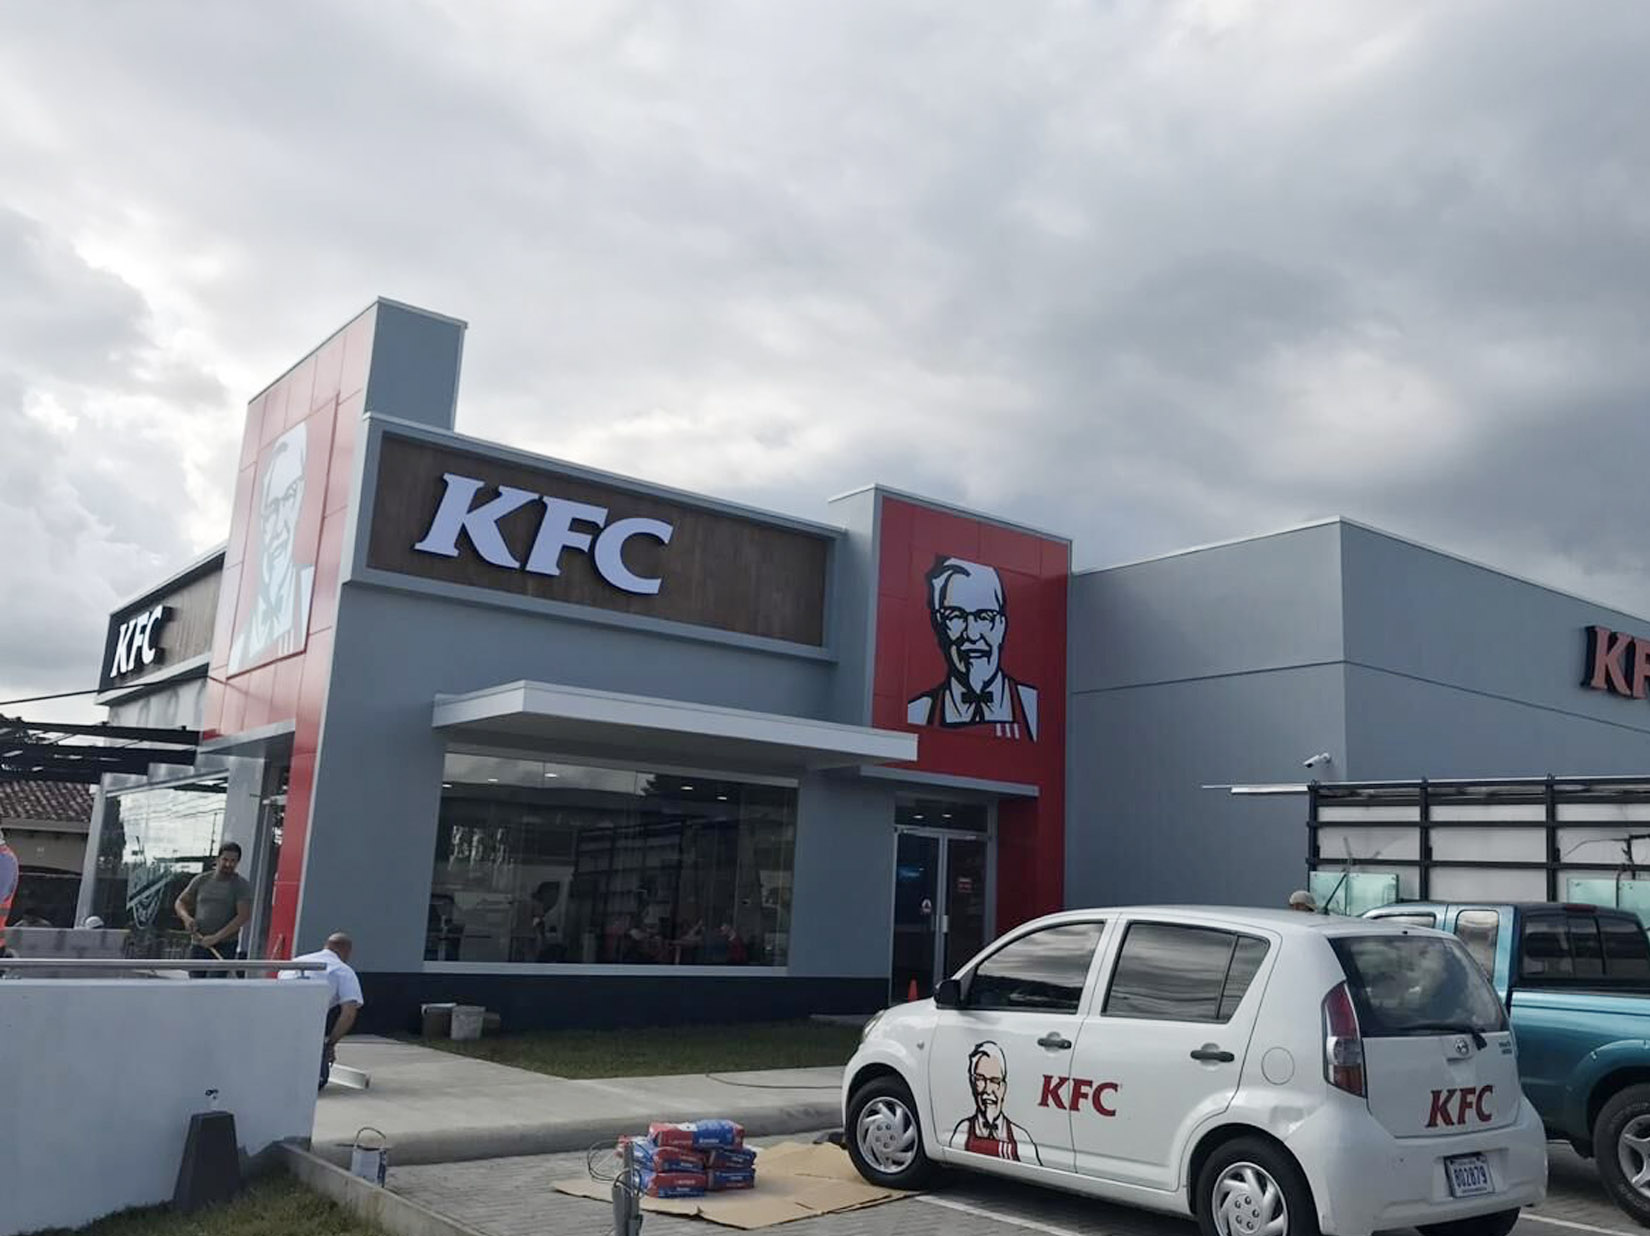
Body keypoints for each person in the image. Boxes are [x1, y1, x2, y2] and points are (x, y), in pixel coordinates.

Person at [907, 557, 1039, 741]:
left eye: (985, 617)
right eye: (956, 616)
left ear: (1002, 625)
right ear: (939, 626)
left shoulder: (1032, 708)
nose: (972, 634)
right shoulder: (918, 713)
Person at [229, 421, 314, 673]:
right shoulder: (238, 651)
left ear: (301, 495)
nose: (279, 526)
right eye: (271, 508)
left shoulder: (314, 592)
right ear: (259, 517)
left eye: (289, 497)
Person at [279, 932, 364, 1091]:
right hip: (308, 1023)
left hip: (277, 1016)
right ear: (347, 951)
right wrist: (330, 1045)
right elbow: (348, 1013)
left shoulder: (296, 962)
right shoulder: (343, 970)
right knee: (314, 1079)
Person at [949, 1040, 1041, 1165]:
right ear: (972, 1084)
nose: (988, 1090)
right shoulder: (963, 1130)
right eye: (980, 1079)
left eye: (994, 1081)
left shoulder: (1020, 1137)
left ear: (1003, 1088)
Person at [175, 842, 253, 975]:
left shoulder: (241, 885)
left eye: (233, 861)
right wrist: (186, 918)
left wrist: (216, 938)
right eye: (225, 859)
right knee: (195, 981)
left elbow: (243, 916)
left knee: (215, 982)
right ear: (217, 859)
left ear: (237, 863)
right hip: (199, 942)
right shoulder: (201, 880)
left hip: (225, 945)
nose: (228, 864)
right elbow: (180, 902)